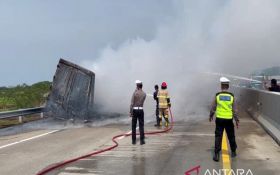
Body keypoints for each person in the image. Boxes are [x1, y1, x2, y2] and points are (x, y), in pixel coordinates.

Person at [209, 77, 239, 162]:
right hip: (229, 119)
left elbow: (213, 107)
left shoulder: (217, 95)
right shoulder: (232, 96)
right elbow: (234, 110)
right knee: (231, 136)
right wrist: (236, 119)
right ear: (228, 86)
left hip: (219, 119)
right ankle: (233, 151)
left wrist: (211, 115)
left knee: (218, 136)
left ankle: (216, 154)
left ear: (221, 86)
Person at [130, 80, 147, 145]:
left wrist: (130, 112)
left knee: (133, 126)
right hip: (141, 110)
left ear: (137, 86)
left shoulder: (135, 93)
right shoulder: (144, 94)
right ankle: (142, 141)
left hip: (135, 110)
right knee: (141, 125)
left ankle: (133, 141)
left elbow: (132, 103)